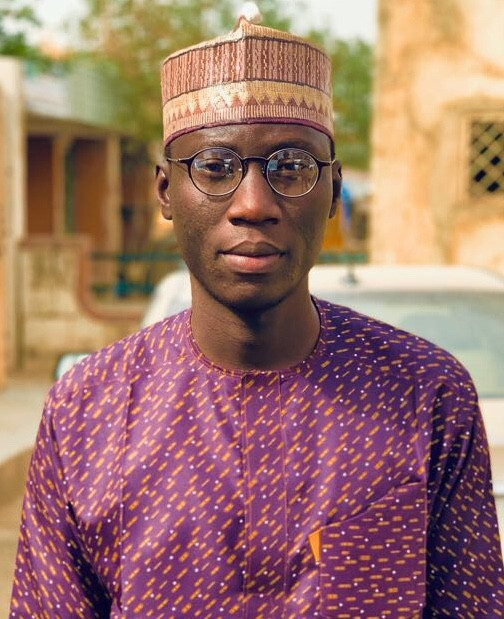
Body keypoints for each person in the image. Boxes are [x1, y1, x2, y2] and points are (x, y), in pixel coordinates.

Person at [9, 5, 504, 618]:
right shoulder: (87, 411)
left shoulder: (425, 395)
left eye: (291, 168)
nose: (253, 204)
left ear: (333, 190)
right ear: (165, 191)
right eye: (214, 167)